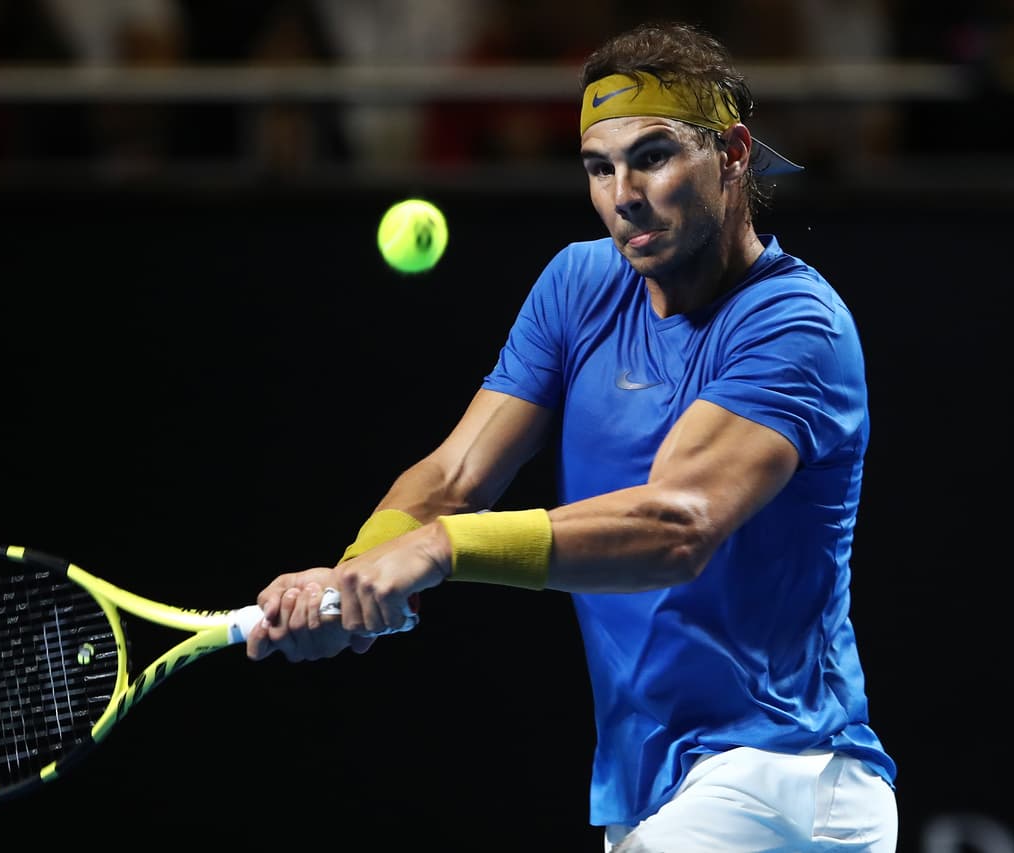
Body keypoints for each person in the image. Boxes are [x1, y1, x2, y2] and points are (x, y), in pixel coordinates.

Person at [245, 19, 898, 852]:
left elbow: (677, 523)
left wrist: (439, 549)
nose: (623, 194)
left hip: (784, 776)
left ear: (733, 154)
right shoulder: (579, 283)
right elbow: (453, 477)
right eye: (599, 167)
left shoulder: (797, 324)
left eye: (653, 157)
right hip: (654, 786)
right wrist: (351, 580)